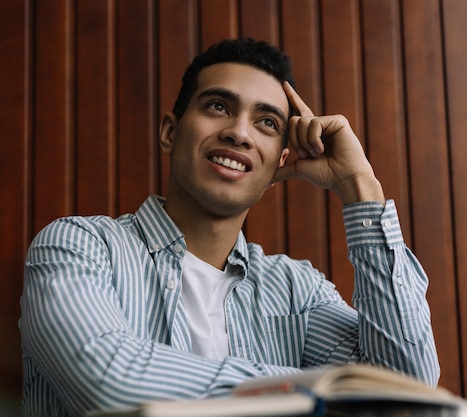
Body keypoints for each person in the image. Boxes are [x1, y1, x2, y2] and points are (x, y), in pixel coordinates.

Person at [19, 38, 440, 417]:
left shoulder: (297, 290)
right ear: (170, 132)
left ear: (280, 160)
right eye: (218, 106)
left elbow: (407, 390)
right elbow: (110, 382)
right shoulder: (77, 246)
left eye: (267, 123)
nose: (239, 133)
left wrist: (358, 186)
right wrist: (304, 390)